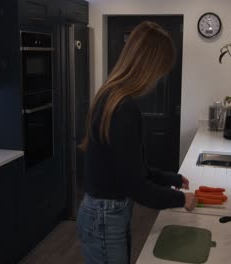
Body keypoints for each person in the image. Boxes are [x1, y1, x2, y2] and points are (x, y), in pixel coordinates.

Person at [76, 21, 196, 264]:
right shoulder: (124, 109)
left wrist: (169, 178)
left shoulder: (111, 97)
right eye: (161, 70)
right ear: (148, 67)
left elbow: (130, 168)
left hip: (103, 212)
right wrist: (181, 200)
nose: (160, 78)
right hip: (105, 217)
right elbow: (136, 186)